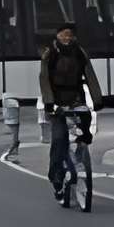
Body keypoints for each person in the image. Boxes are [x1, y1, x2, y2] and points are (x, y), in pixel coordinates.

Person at [37, 20, 97, 202]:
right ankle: (55, 176)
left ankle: (83, 144)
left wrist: (98, 99)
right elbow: (44, 78)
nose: (67, 37)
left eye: (70, 34)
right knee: (59, 139)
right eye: (64, 34)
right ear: (57, 35)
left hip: (75, 97)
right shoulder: (51, 54)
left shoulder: (80, 52)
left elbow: (90, 76)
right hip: (56, 101)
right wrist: (49, 103)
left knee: (85, 117)